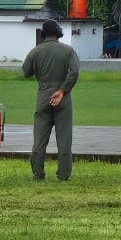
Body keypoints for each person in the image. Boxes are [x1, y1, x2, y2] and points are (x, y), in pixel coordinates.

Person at [21, 19, 80, 181]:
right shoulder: (68, 51)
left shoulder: (35, 51)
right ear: (58, 32)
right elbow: (74, 72)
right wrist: (62, 90)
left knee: (39, 138)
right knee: (64, 137)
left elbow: (26, 72)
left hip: (43, 95)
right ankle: (63, 174)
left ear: (43, 34)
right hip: (63, 97)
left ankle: (38, 173)